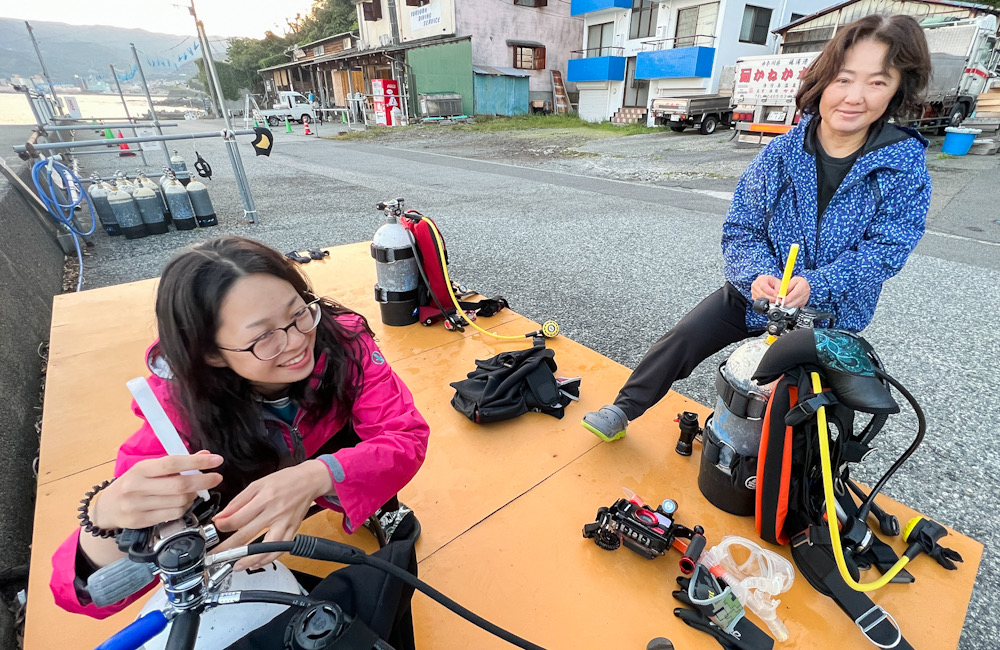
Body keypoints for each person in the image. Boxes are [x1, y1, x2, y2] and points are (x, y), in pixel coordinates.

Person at [582, 14, 933, 442]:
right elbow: (742, 227)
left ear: (898, 89)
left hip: (828, 313)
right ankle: (624, 408)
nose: (855, 97)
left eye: (878, 82)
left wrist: (816, 284)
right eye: (844, 79)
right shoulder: (782, 152)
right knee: (684, 338)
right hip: (757, 294)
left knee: (814, 410)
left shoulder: (903, 164)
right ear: (823, 82)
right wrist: (756, 277)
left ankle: (802, 481)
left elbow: (887, 250)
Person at [51, 236, 430, 617]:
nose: (298, 342)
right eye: (262, 336)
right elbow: (80, 596)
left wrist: (320, 474)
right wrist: (103, 521)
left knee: (367, 453)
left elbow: (403, 435)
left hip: (326, 455)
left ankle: (377, 506)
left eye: (298, 312)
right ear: (210, 353)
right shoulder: (177, 414)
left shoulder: (344, 342)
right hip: (243, 493)